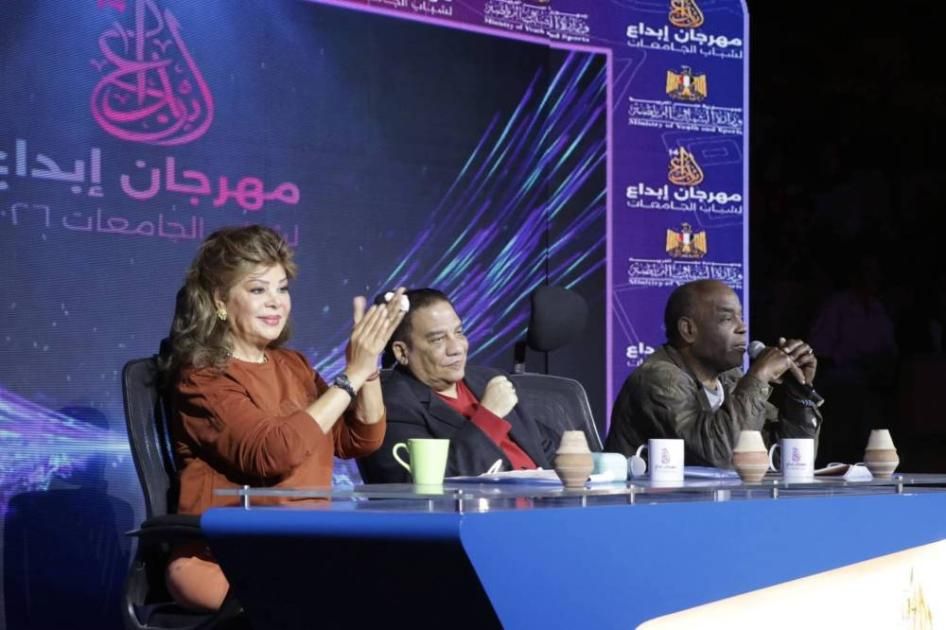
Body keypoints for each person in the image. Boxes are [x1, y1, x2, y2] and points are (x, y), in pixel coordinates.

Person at [160, 225, 405, 611]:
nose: (276, 302)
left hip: (304, 545)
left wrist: (368, 369)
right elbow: (273, 452)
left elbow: (358, 439)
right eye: (259, 290)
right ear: (220, 300)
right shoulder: (203, 376)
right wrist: (351, 375)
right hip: (224, 557)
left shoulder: (293, 365)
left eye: (282, 288)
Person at [605, 279, 822, 468]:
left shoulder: (730, 379)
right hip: (647, 502)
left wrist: (799, 394)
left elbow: (787, 460)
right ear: (688, 330)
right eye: (727, 319)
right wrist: (758, 377)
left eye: (741, 317)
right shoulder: (658, 379)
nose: (743, 328)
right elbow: (723, 456)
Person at [358, 288, 557, 483]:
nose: (457, 348)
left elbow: (546, 449)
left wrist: (571, 455)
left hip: (546, 499)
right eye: (438, 339)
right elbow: (421, 485)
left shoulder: (490, 380)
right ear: (402, 352)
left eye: (459, 332)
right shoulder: (390, 404)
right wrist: (489, 417)